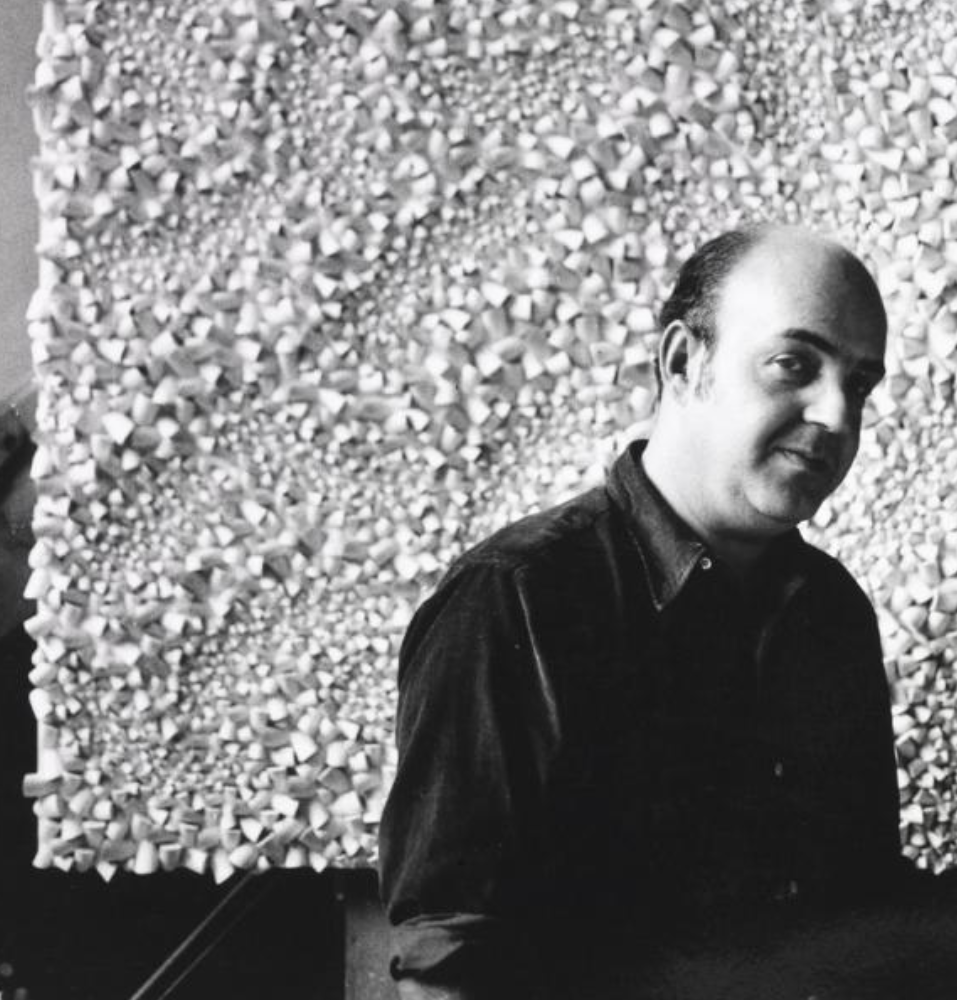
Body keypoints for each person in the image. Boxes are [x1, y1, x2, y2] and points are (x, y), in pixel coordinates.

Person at [377, 225, 916, 999]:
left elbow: (865, 917)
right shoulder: (515, 596)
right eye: (794, 364)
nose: (837, 414)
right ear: (682, 362)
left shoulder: (832, 612)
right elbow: (447, 968)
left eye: (859, 384)